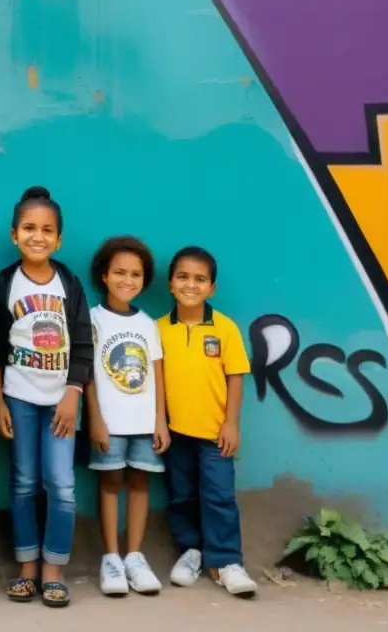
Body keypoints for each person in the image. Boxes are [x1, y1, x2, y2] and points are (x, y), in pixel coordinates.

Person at [0, 186, 93, 608]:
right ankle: (27, 568)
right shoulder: (0, 286)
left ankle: (54, 569)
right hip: (19, 398)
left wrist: (73, 393)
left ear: (59, 239)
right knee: (25, 481)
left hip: (61, 399)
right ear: (14, 235)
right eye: (29, 228)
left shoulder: (68, 283)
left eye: (47, 230)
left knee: (62, 485)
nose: (38, 236)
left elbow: (82, 341)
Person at [157, 246, 258, 596]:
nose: (190, 285)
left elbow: (236, 377)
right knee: (181, 495)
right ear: (170, 283)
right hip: (175, 432)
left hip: (215, 432)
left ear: (212, 288)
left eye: (200, 279)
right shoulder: (158, 330)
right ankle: (191, 551)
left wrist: (231, 423)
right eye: (183, 277)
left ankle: (228, 561)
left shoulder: (225, 328)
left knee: (218, 496)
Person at [85, 237, 169, 597]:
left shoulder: (149, 325)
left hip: (144, 423)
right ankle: (111, 559)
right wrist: (96, 420)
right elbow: (86, 375)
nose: (127, 280)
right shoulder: (91, 319)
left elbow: (158, 376)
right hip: (110, 422)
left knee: (139, 484)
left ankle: (134, 556)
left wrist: (160, 421)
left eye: (135, 274)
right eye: (119, 272)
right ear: (104, 275)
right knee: (109, 484)